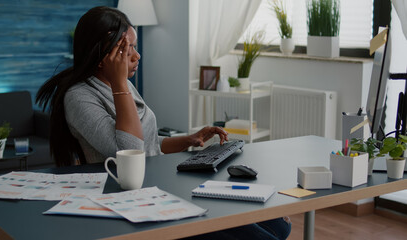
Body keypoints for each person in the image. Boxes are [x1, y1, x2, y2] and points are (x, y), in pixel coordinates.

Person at [36, 6, 291, 239]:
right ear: (104, 55)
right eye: (129, 49)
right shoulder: (80, 96)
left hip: (158, 187)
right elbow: (130, 151)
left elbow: (146, 142)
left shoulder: (120, 84)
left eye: (136, 47)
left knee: (280, 226)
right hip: (129, 204)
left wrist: (188, 140)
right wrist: (119, 83)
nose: (137, 56)